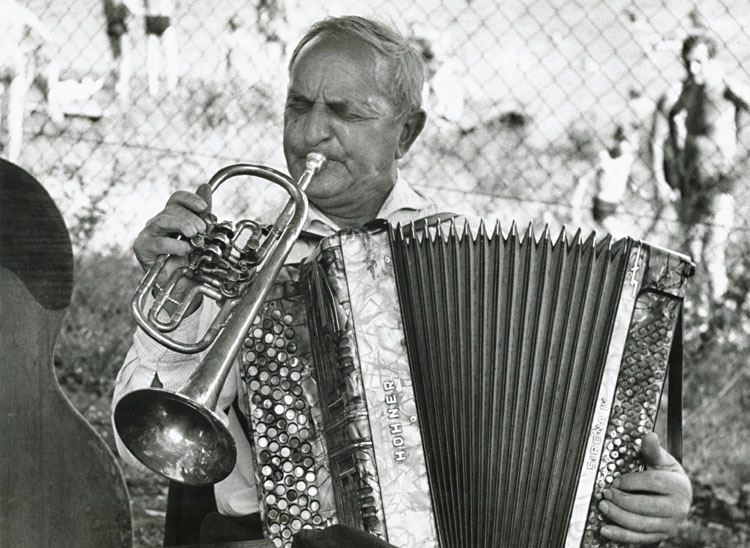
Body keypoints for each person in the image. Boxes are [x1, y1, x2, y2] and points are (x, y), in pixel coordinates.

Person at [113, 15, 692, 547]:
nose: (313, 132)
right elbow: (139, 441)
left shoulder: (476, 261)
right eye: (299, 106)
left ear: (406, 133)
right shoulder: (241, 257)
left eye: (346, 113)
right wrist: (176, 297)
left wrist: (666, 496)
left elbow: (577, 434)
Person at [668, 33, 750, 306]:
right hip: (691, 182)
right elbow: (673, 114)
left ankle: (718, 317)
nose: (692, 69)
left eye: (699, 62)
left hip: (719, 183)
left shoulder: (727, 87)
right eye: (687, 63)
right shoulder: (690, 90)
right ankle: (699, 313)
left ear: (712, 60)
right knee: (691, 252)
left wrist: (740, 157)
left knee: (714, 253)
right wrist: (679, 156)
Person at [0, 0, 62, 162]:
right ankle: (11, 161)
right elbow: (47, 37)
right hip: (15, 63)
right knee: (14, 116)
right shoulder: (20, 12)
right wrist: (27, 48)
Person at [102, 0, 139, 103]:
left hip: (110, 26)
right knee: (125, 57)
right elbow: (134, 10)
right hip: (121, 27)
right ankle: (122, 86)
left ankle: (115, 83)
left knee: (114, 57)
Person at [143, 0, 178, 96]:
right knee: (152, 58)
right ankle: (154, 88)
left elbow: (174, 5)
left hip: (163, 21)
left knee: (169, 57)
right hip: (154, 21)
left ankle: (171, 86)